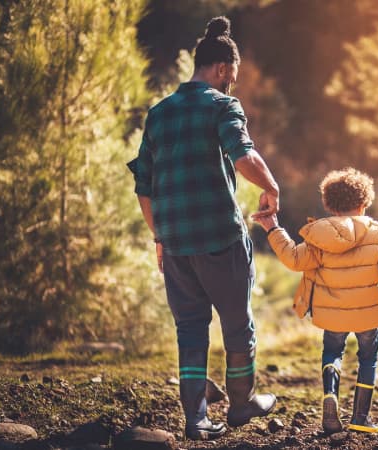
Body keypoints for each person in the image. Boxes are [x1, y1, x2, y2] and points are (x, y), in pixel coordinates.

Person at [127, 16, 279, 440]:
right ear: (223, 69)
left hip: (175, 242)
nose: (232, 82)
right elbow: (243, 153)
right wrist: (271, 187)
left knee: (190, 329)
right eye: (233, 75)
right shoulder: (222, 104)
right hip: (220, 240)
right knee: (238, 324)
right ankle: (242, 403)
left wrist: (160, 238)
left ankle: (195, 421)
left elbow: (144, 187)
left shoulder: (157, 114)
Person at [252, 168, 378, 434]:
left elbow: (293, 259)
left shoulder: (318, 234)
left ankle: (330, 395)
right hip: (369, 314)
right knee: (368, 359)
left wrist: (272, 227)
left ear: (328, 204)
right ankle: (360, 418)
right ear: (364, 203)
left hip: (332, 315)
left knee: (333, 352)